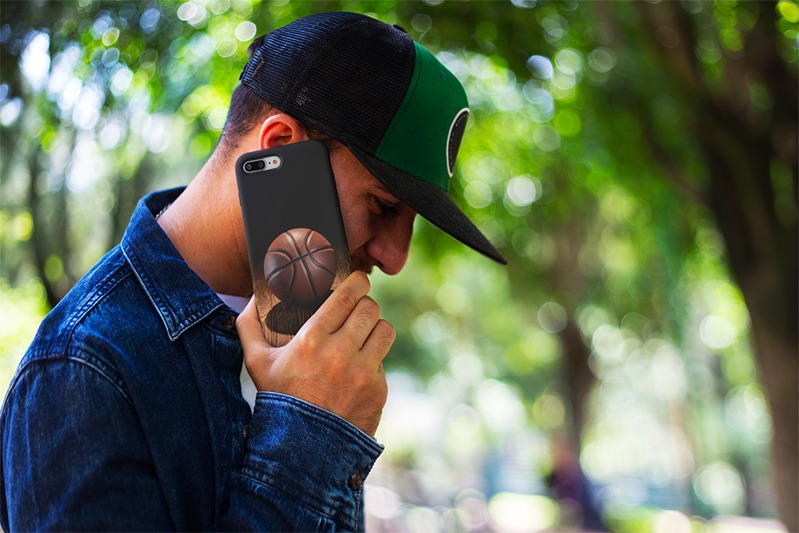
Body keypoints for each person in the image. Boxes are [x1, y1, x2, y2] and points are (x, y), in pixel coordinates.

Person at [0, 11, 506, 531]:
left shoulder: (306, 335)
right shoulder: (82, 369)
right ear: (281, 148)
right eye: (382, 205)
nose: (395, 258)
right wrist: (310, 431)